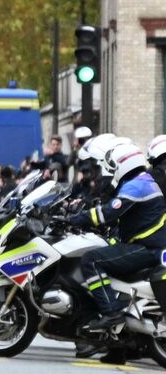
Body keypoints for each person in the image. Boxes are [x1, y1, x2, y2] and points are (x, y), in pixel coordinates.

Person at [68, 139, 166, 334]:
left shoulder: (137, 185)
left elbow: (108, 213)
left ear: (123, 165)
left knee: (91, 261)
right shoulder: (143, 182)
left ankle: (111, 311)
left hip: (147, 248)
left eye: (113, 167)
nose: (110, 172)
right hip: (150, 245)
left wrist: (74, 219)